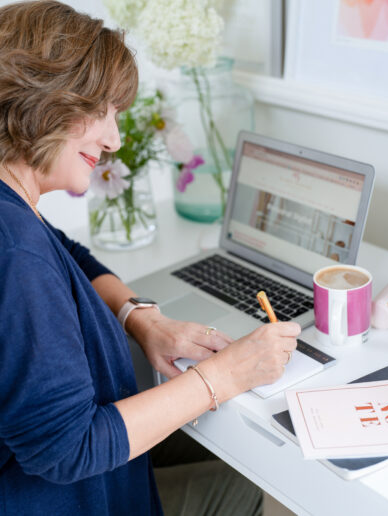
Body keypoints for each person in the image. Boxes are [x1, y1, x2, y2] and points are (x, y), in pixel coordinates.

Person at [0, 2, 301, 515]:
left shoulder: (16, 213)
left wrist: (141, 319)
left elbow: (69, 254)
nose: (115, 140)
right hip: (61, 495)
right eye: (105, 112)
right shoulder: (16, 253)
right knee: (248, 480)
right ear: (50, 100)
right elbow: (69, 448)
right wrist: (225, 376)